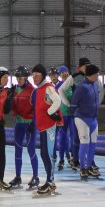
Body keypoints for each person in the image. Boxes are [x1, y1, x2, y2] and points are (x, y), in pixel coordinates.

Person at [30, 64, 62, 196]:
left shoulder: (48, 87)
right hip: (43, 126)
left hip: (49, 126)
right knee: (44, 154)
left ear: (43, 75)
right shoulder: (39, 89)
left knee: (47, 154)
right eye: (33, 76)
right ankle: (50, 182)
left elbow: (58, 101)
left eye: (37, 75)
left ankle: (50, 182)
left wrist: (49, 112)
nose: (34, 78)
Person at [71, 64, 102, 180]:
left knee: (92, 144)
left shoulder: (95, 85)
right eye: (96, 74)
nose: (98, 75)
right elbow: (73, 103)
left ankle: (89, 167)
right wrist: (75, 117)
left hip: (93, 119)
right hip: (82, 118)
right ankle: (82, 169)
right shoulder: (81, 87)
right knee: (84, 143)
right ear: (91, 74)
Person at [10, 65, 38, 188]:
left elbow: (37, 109)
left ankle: (36, 177)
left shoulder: (33, 90)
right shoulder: (15, 90)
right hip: (19, 124)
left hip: (30, 124)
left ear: (26, 78)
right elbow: (12, 107)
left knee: (31, 149)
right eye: (17, 78)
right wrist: (9, 97)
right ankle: (18, 177)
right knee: (18, 149)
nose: (18, 80)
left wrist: (34, 123)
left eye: (20, 78)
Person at [55, 66, 74, 170]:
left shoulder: (72, 84)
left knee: (73, 137)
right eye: (63, 72)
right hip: (62, 115)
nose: (65, 73)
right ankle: (61, 159)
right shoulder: (58, 86)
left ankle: (73, 158)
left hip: (72, 115)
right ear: (60, 75)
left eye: (66, 72)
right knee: (62, 138)